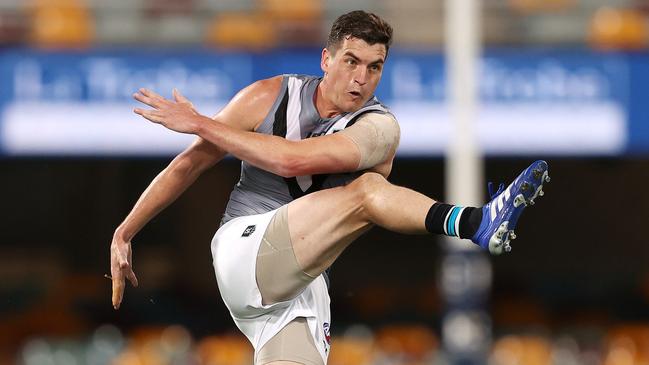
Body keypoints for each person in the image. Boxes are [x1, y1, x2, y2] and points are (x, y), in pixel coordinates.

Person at [110, 10, 550, 365]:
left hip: (300, 285)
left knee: (368, 193)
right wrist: (125, 231)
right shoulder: (268, 96)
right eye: (351, 62)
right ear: (326, 59)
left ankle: (479, 222)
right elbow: (188, 165)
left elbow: (290, 158)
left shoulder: (379, 129)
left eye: (374, 67)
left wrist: (200, 121)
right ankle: (476, 221)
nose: (360, 78)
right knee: (365, 195)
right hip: (245, 251)